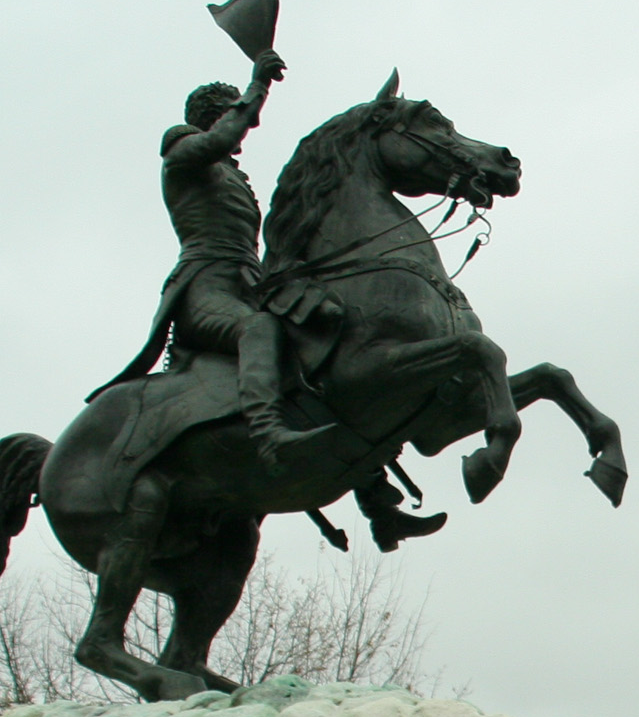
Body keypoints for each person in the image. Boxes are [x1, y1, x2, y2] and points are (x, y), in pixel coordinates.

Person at [102, 49, 444, 552]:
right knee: (258, 331)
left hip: (248, 287)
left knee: (334, 356)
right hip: (205, 291)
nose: (235, 116)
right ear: (205, 119)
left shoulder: (231, 177)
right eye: (226, 109)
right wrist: (256, 87)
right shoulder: (182, 154)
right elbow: (225, 137)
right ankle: (268, 434)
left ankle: (380, 509)